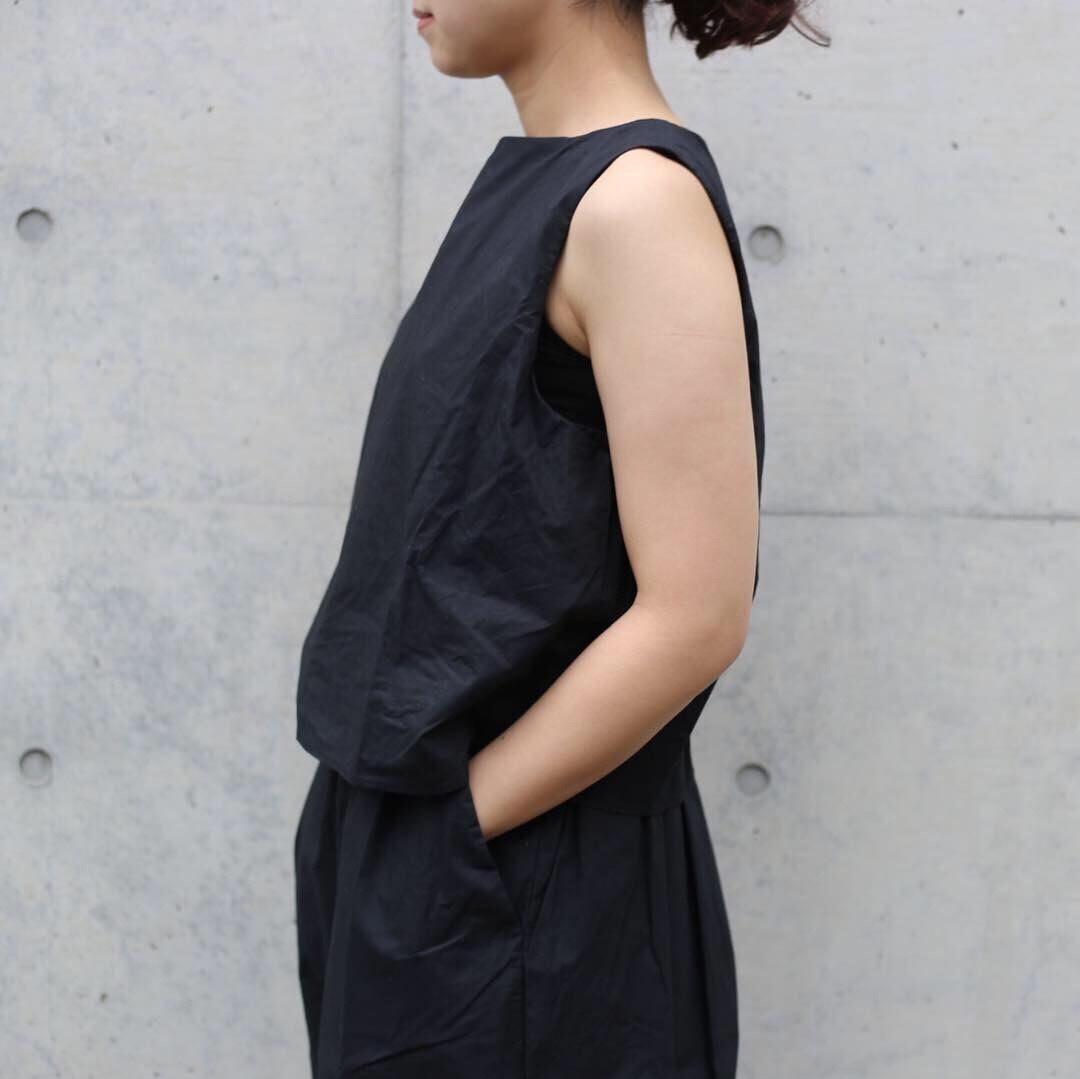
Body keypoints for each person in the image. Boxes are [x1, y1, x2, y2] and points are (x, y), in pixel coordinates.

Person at [294, 2, 829, 1077]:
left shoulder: (636, 204)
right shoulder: (552, 185)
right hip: (448, 870)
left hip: (532, 901)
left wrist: (459, 828)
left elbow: (696, 616)